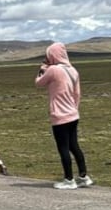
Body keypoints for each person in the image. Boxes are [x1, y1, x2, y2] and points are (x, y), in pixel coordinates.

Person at [35, 42, 92, 189]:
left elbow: (39, 83)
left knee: (63, 148)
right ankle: (84, 176)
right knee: (74, 145)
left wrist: (42, 69)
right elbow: (77, 93)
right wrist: (74, 109)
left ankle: (69, 180)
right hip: (73, 114)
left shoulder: (53, 70)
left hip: (60, 116)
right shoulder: (73, 70)